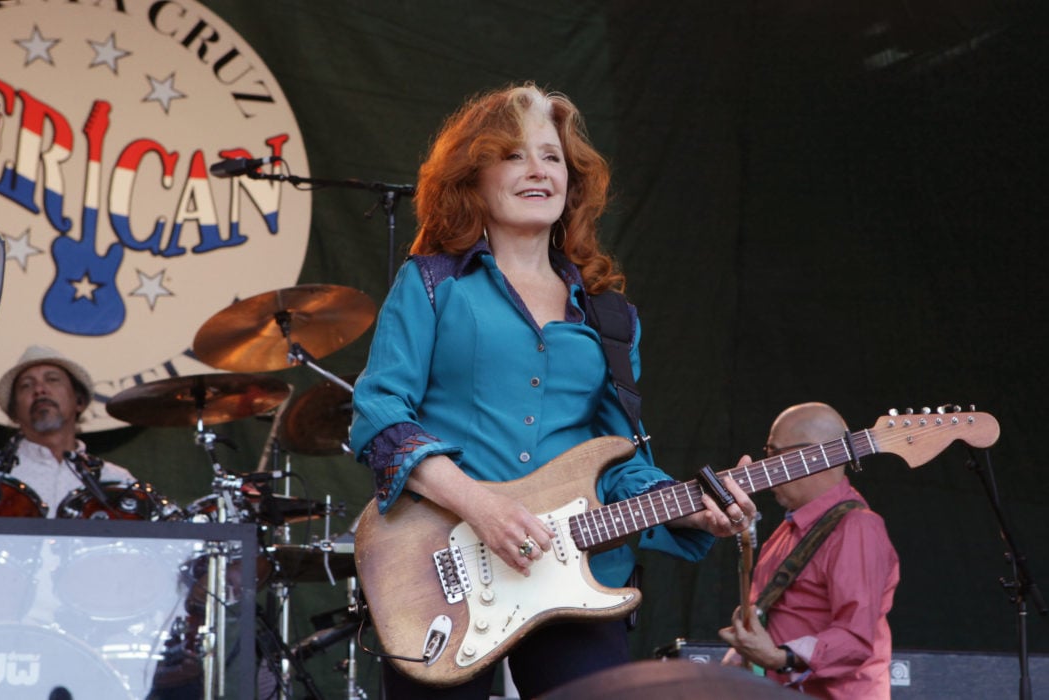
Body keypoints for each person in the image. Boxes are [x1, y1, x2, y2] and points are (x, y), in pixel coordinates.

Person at [349, 82, 757, 699]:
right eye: (514, 155)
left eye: (552, 157)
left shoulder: (611, 316)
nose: (539, 170)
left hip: (578, 576)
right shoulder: (431, 283)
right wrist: (481, 507)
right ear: (473, 178)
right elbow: (379, 413)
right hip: (445, 569)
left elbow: (620, 461)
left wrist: (691, 507)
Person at [718, 402, 900, 699]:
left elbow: (854, 638)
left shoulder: (857, 529)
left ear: (813, 455)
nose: (766, 467)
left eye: (774, 454)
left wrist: (780, 658)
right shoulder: (787, 531)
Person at [0, 344, 136, 515]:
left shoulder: (115, 480)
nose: (39, 389)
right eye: (26, 385)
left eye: (52, 379)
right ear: (14, 413)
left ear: (79, 401)